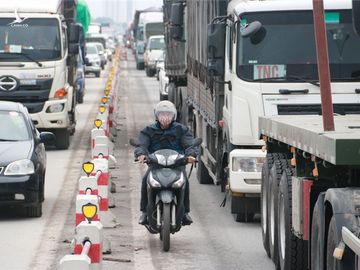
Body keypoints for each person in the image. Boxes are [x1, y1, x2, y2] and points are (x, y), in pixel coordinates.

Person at [134, 101, 197, 225]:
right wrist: (141, 155)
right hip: (155, 165)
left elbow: (189, 145)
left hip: (177, 165)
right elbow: (142, 145)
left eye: (168, 114)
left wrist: (191, 155)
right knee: (146, 179)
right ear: (156, 115)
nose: (165, 117)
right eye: (162, 114)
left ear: (173, 115)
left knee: (185, 182)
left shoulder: (182, 130)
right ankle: (145, 213)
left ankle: (185, 213)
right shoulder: (148, 130)